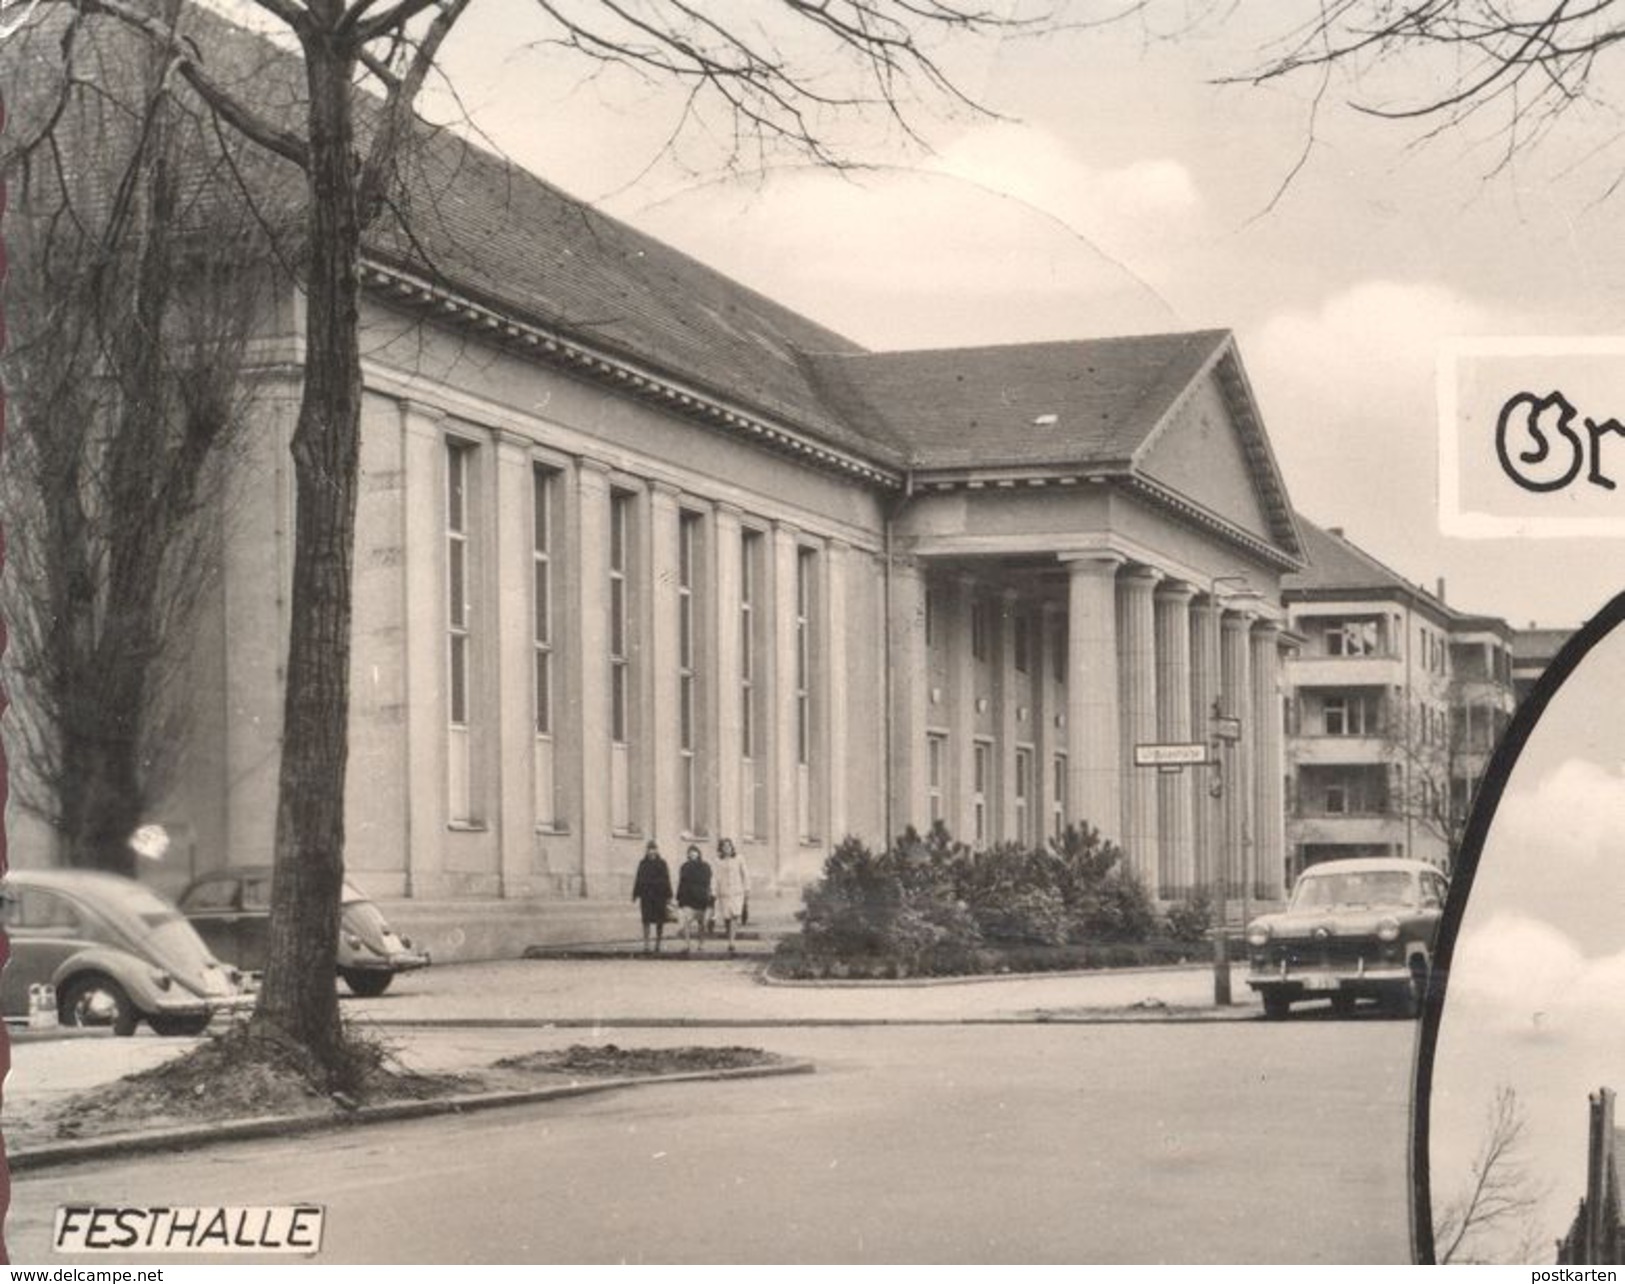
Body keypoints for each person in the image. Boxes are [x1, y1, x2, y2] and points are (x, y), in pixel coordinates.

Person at [631, 840, 673, 954]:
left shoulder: (662, 863)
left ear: (657, 850)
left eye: (653, 849)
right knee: (646, 920)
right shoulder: (643, 863)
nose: (651, 851)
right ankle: (646, 944)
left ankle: (658, 944)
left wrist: (669, 895)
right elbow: (638, 879)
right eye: (649, 849)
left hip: (659, 897)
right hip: (646, 896)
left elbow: (666, 879)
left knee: (660, 921)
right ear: (647, 851)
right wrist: (635, 894)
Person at [713, 837, 750, 956]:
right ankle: (730, 937)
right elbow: (714, 877)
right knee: (727, 918)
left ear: (732, 847)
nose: (726, 849)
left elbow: (745, 874)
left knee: (735, 916)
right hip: (724, 893)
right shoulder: (718, 861)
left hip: (737, 892)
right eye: (724, 847)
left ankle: (731, 942)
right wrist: (713, 891)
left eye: (728, 846)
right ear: (721, 849)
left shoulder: (739, 858)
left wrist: (747, 889)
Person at [674, 844, 713, 953]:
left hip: (701, 899)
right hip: (688, 899)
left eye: (694, 851)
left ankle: (701, 944)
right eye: (690, 852)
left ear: (699, 853)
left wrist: (709, 898)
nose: (692, 854)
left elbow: (708, 883)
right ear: (688, 854)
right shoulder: (684, 867)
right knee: (687, 922)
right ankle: (687, 945)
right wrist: (679, 899)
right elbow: (681, 883)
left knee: (702, 924)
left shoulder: (705, 866)